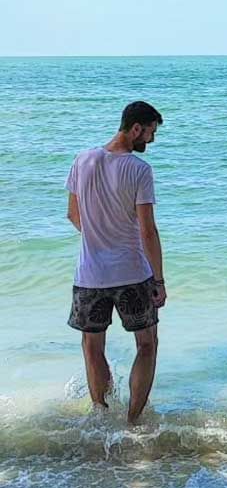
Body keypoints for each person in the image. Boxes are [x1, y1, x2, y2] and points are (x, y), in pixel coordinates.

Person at [66, 101, 166, 424]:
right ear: (135, 128)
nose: (150, 140)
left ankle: (101, 419)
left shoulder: (82, 160)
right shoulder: (139, 170)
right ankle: (133, 421)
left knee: (92, 347)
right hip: (132, 274)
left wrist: (97, 235)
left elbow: (73, 214)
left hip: (89, 275)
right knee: (147, 344)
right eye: (150, 132)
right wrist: (160, 281)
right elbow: (147, 231)